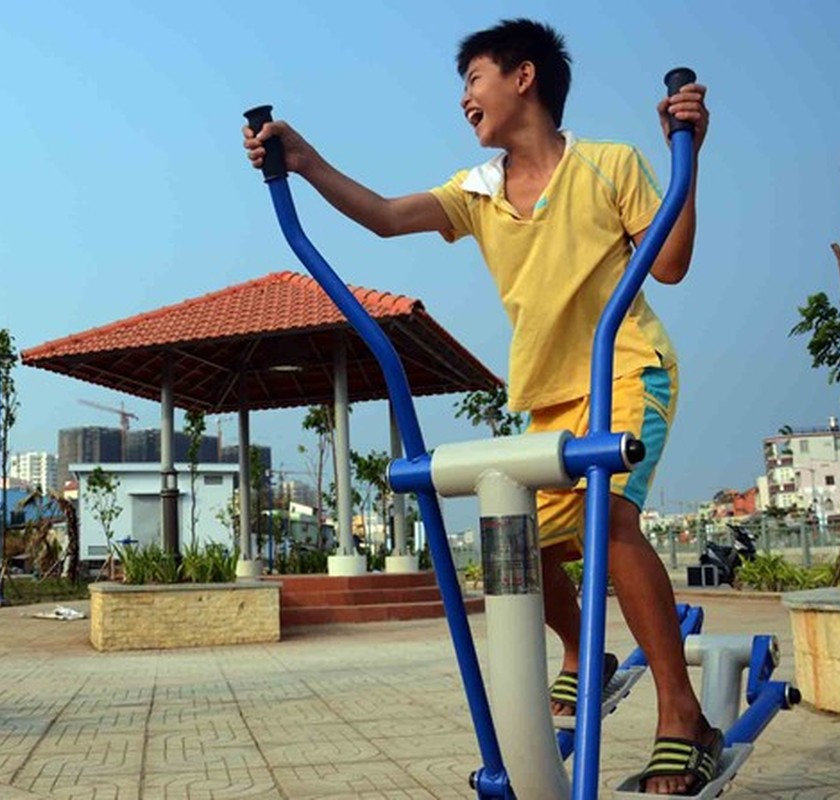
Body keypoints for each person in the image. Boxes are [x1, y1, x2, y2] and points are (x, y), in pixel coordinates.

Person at [242, 19, 711, 796]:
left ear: (523, 78)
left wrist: (688, 160)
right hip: (546, 401)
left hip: (625, 369)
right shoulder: (479, 191)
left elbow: (669, 263)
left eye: (473, 80)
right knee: (512, 548)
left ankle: (681, 715)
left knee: (612, 519)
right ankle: (582, 655)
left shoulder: (608, 165)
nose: (464, 99)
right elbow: (388, 216)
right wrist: (306, 161)